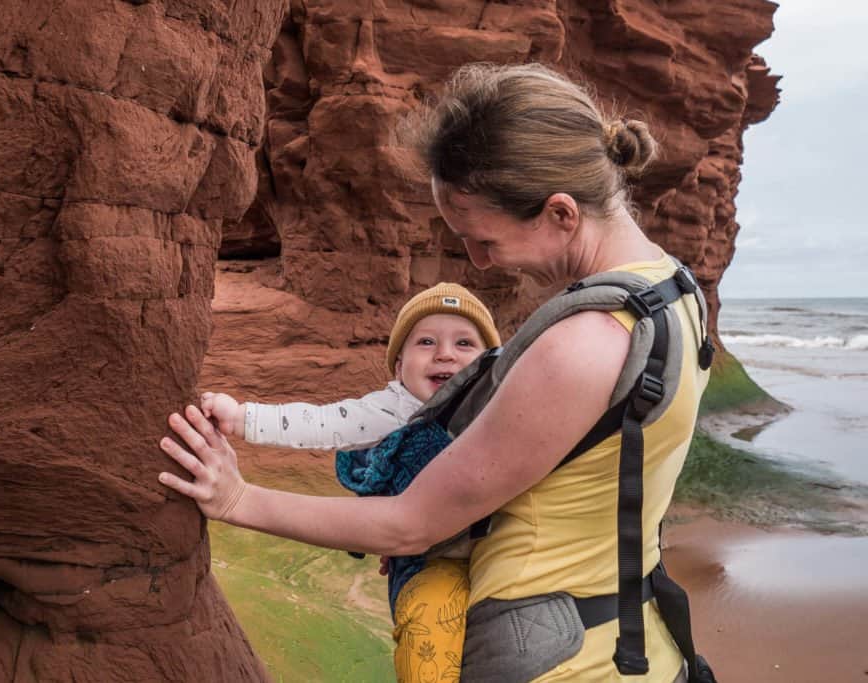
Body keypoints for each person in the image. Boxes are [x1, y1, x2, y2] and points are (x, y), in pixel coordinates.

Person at [159, 62, 710, 682]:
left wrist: (237, 498)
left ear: (561, 213)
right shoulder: (674, 291)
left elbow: (410, 525)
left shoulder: (583, 344)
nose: (479, 261)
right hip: (638, 644)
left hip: (560, 664)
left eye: (485, 240)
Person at [200, 282, 502, 683]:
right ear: (399, 367)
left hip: (502, 548)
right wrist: (242, 418)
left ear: (493, 364)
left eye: (464, 343)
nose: (445, 353)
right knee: (428, 633)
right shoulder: (394, 410)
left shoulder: (503, 405)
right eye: (426, 342)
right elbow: (323, 423)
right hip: (434, 561)